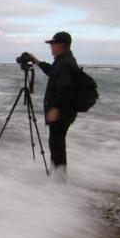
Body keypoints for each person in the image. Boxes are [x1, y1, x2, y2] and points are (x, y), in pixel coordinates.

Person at [27, 31, 78, 183]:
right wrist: (37, 62)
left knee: (57, 144)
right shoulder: (63, 61)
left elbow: (65, 89)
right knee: (56, 143)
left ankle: (59, 180)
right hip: (65, 111)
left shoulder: (65, 63)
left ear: (61, 45)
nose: (51, 47)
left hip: (61, 112)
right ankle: (58, 176)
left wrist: (55, 108)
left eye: (53, 44)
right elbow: (53, 72)